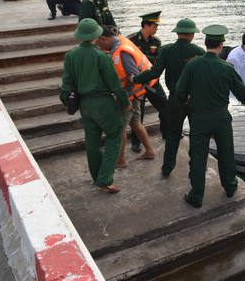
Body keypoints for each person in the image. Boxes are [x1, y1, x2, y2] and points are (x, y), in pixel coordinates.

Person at [175, 25, 245, 208]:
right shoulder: (227, 67)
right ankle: (230, 187)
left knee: (199, 156)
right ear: (221, 44)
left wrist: (186, 101)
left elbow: (179, 91)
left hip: (199, 117)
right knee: (226, 152)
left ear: (205, 43)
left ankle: (196, 196)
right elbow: (242, 94)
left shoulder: (192, 64)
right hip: (221, 117)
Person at [59, 18, 131, 193]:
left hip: (85, 105)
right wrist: (126, 100)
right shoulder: (101, 56)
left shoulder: (71, 55)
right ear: (96, 35)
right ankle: (105, 179)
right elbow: (114, 84)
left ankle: (97, 176)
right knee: (114, 137)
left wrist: (66, 101)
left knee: (92, 143)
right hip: (104, 103)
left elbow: (66, 84)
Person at [133, 18, 205, 176]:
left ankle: (167, 167)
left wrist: (135, 79)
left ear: (177, 33)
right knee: (196, 134)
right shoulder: (199, 52)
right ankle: (194, 167)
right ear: (191, 34)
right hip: (194, 100)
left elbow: (154, 73)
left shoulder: (166, 50)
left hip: (174, 100)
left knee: (173, 134)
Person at [96, 25, 158, 167]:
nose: (98, 46)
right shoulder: (120, 41)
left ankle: (120, 160)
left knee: (120, 128)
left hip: (130, 95)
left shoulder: (121, 52)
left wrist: (125, 98)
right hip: (135, 93)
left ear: (103, 38)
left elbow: (134, 75)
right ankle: (150, 151)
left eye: (98, 42)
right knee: (135, 123)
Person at [127, 11, 170, 152]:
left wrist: (139, 56)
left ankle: (166, 132)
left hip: (152, 81)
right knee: (139, 114)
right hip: (137, 82)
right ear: (146, 25)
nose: (156, 29)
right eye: (154, 26)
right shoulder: (131, 40)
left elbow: (158, 61)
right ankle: (136, 142)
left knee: (165, 106)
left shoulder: (156, 42)